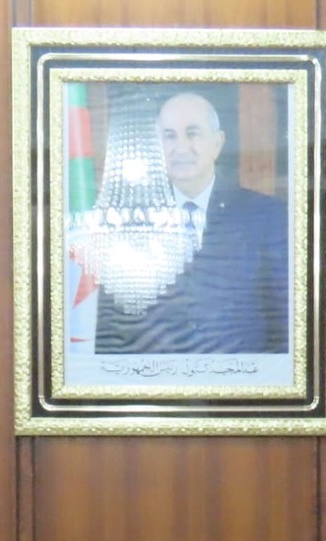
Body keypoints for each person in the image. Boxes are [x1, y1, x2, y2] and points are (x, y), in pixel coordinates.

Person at [95, 91, 289, 356]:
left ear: (217, 143)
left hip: (240, 379)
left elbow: (286, 328)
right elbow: (110, 328)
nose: (181, 148)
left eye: (193, 133)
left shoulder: (265, 216)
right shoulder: (127, 221)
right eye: (169, 136)